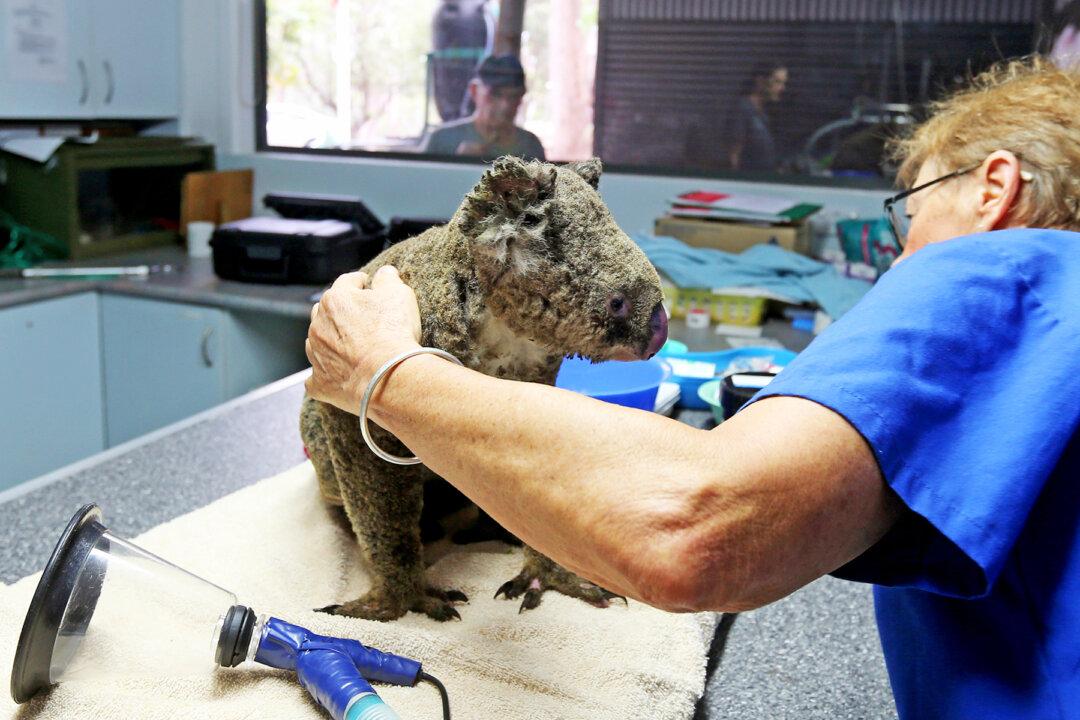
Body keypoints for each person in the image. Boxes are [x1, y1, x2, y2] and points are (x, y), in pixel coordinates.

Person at [307, 57, 1080, 719]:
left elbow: (697, 531)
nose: (903, 252)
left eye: (909, 215)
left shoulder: (1001, 270)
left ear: (992, 191)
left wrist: (384, 373)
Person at [420, 54, 546, 161]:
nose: (505, 105)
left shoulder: (530, 147)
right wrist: (458, 164)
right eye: (495, 94)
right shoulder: (443, 141)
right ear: (474, 91)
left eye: (514, 96)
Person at [727, 62, 788, 172]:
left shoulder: (764, 115)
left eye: (783, 83)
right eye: (777, 82)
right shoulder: (742, 109)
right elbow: (733, 155)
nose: (782, 88)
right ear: (760, 81)